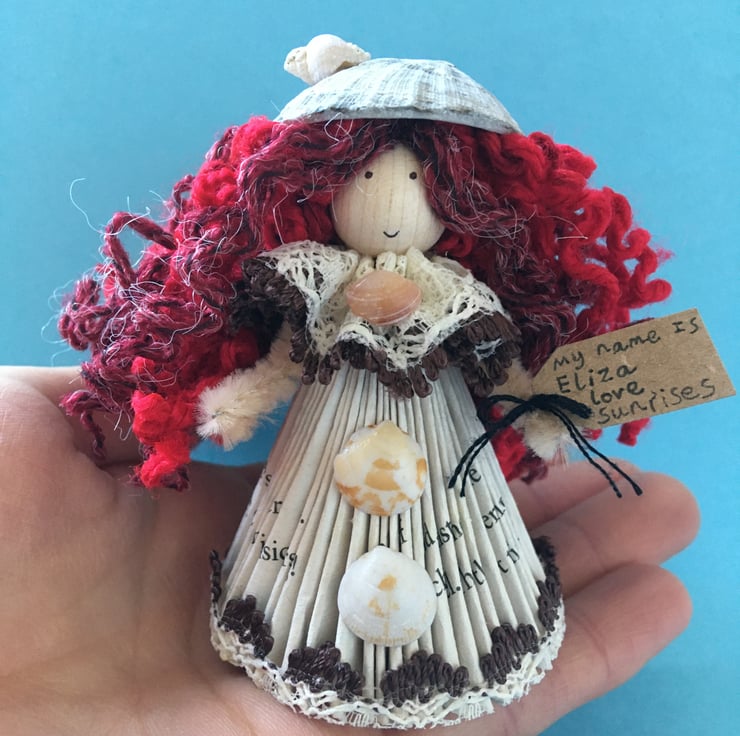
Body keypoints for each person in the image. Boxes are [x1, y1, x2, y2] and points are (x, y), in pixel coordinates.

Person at [0, 365, 699, 735]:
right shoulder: (319, 296)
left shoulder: (459, 304)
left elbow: (509, 373)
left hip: (446, 456)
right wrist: (229, 404)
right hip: (316, 476)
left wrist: (545, 404)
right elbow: (277, 367)